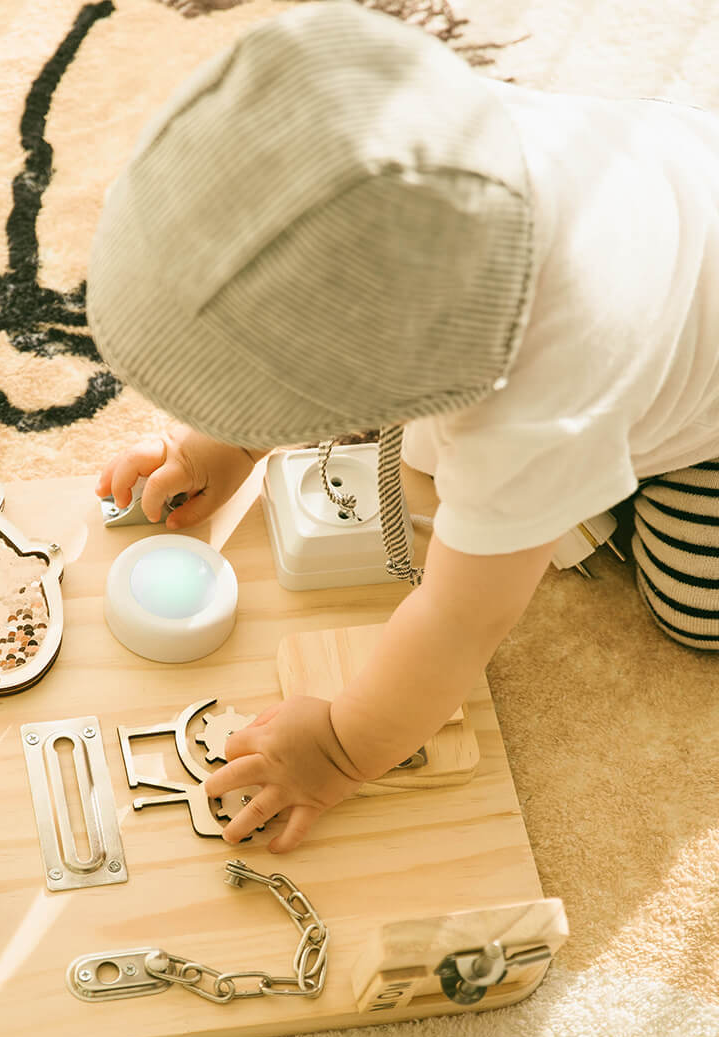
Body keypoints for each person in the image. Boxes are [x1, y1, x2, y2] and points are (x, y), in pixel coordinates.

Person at [85, 0, 719, 853]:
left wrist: (342, 747)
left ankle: (625, 472)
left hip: (692, 396)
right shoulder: (417, 147)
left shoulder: (536, 406)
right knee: (443, 464)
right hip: (678, 200)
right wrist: (227, 440)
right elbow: (300, 281)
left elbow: (461, 620)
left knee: (694, 604)